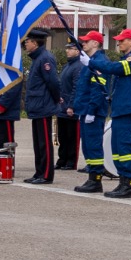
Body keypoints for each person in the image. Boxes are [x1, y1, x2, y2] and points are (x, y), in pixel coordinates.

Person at [82, 28, 131, 199]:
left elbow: (112, 68)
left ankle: (127, 184)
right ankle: (122, 182)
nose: (118, 43)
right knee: (117, 149)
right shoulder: (126, 59)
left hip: (127, 109)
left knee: (124, 148)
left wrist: (91, 63)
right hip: (120, 108)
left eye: (122, 40)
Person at [21, 27, 62, 185]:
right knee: (38, 143)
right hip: (37, 106)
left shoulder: (45, 58)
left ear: (35, 43)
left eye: (28, 41)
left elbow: (53, 82)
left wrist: (56, 100)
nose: (26, 44)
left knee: (44, 143)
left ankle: (46, 174)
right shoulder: (37, 58)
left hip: (43, 106)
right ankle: (39, 172)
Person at [72, 31, 110, 194]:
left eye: (87, 42)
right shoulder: (91, 62)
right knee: (87, 146)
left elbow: (98, 88)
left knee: (93, 145)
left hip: (92, 111)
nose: (83, 44)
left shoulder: (100, 62)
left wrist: (92, 110)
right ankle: (92, 177)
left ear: (96, 43)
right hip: (85, 109)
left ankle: (95, 180)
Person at [56, 41, 83, 171]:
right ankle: (62, 159)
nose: (67, 51)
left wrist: (71, 106)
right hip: (62, 107)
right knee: (63, 136)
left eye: (70, 49)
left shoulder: (78, 66)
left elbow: (76, 88)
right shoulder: (68, 65)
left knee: (72, 136)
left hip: (71, 108)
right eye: (67, 49)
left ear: (77, 51)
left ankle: (71, 161)